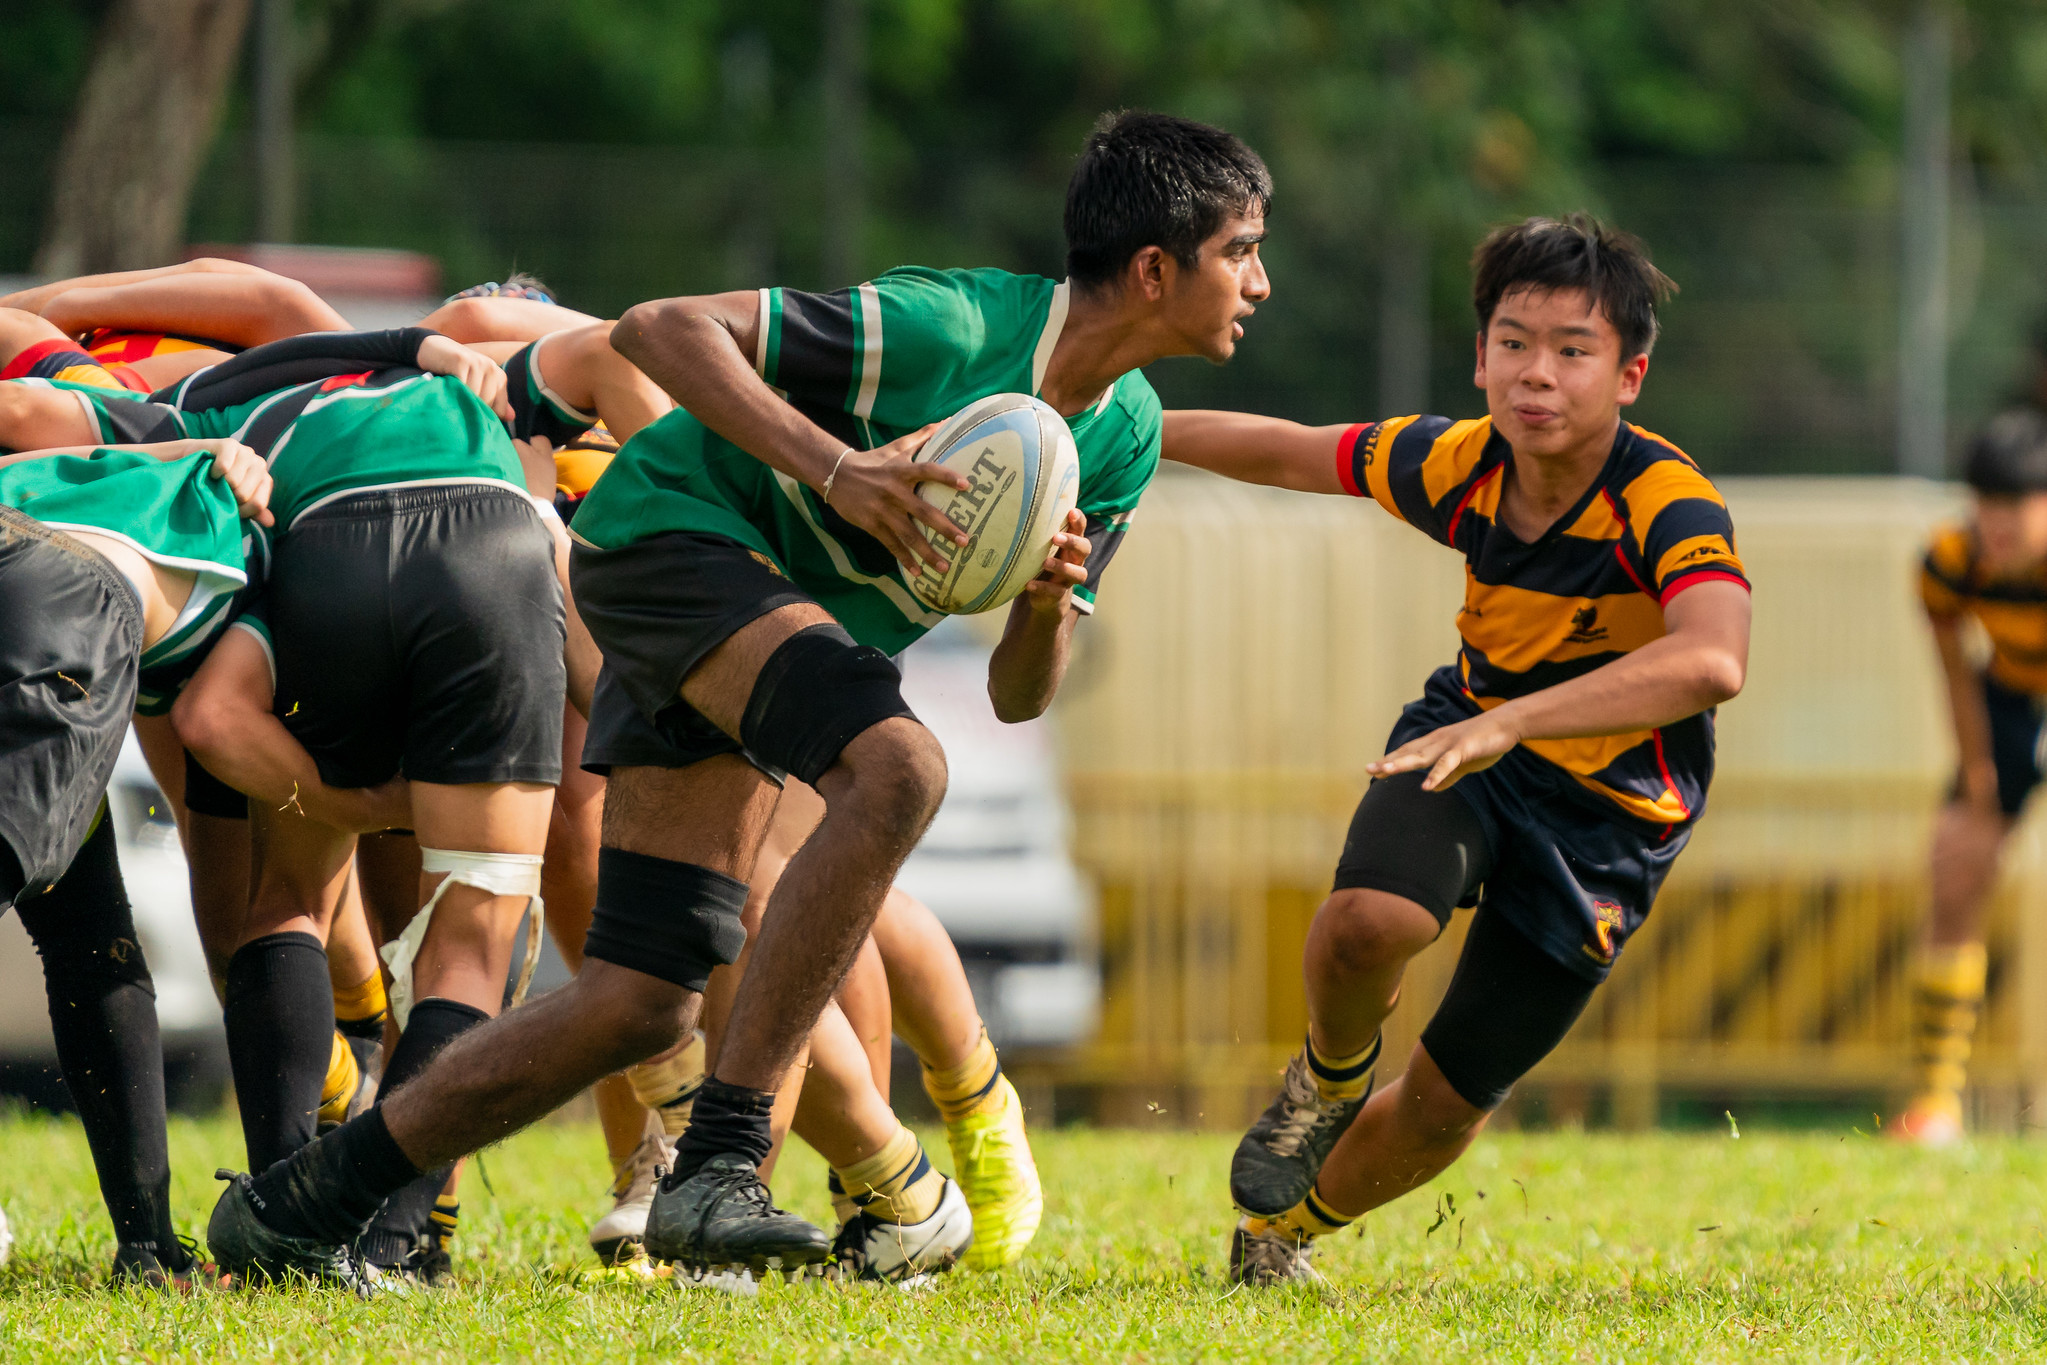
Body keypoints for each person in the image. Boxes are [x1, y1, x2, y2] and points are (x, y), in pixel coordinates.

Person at [201, 108, 1272, 1290]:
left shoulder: (1122, 437)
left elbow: (1022, 699)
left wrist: (1035, 604)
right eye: (1243, 250)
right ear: (1155, 268)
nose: (1261, 282)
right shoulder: (954, 325)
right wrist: (836, 467)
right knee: (898, 770)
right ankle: (719, 1160)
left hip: (743, 617)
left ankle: (304, 1201)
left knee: (637, 1007)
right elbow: (661, 329)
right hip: (668, 544)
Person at [1164, 214, 1752, 1285]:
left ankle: (1275, 1243)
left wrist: (1514, 720)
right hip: (1466, 744)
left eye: (1574, 351)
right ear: (1479, 355)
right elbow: (1294, 453)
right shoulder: (1453, 462)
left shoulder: (1661, 497)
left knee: (1445, 1107)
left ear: (1629, 377)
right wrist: (1116, 428)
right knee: (1365, 925)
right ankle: (1330, 1077)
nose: (1538, 375)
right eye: (1514, 342)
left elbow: (1713, 662)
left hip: (1609, 819)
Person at [0, 429, 272, 1285]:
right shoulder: (270, 513)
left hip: (36, 579)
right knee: (88, 946)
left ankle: (151, 1246)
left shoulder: (83, 458)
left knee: (89, 937)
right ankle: (151, 1244)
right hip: (63, 600)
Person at [1894, 410, 2047, 1144]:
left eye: (2013, 504)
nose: (1996, 522)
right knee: (1955, 861)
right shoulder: (1948, 561)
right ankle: (1935, 1103)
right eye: (1984, 503)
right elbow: (1955, 670)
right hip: (2011, 698)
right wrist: (1980, 772)